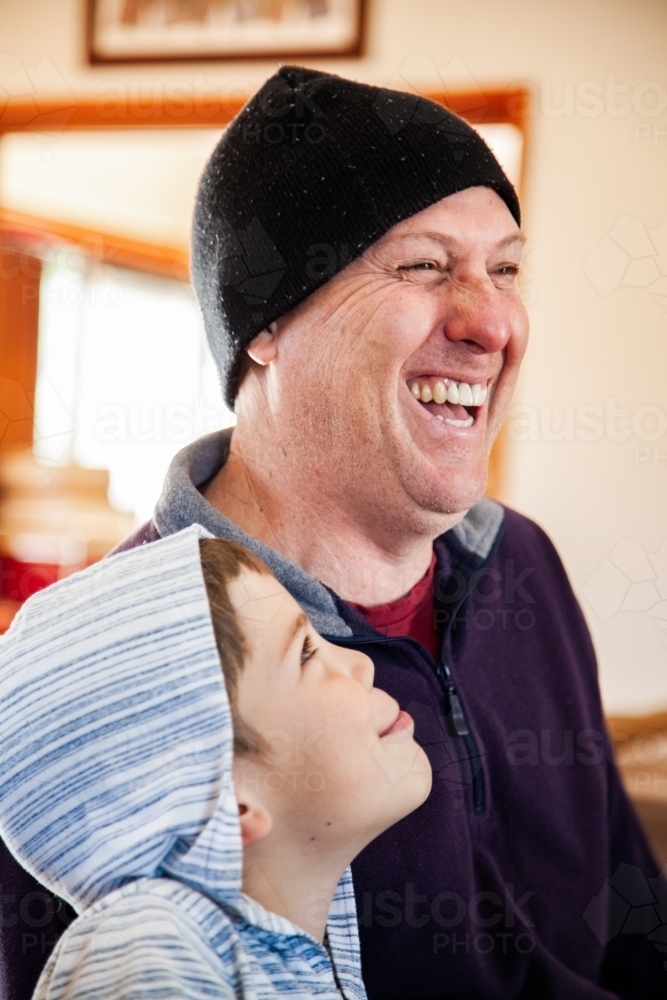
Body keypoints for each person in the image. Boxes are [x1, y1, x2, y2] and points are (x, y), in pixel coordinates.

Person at [1, 65, 665, 999]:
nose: (491, 322)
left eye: (505, 269)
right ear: (264, 322)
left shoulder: (520, 563)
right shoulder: (118, 672)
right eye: (424, 265)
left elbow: (633, 921)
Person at [0, 526, 431, 999]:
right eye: (306, 652)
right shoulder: (154, 947)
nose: (362, 664)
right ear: (228, 804)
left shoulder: (303, 949)